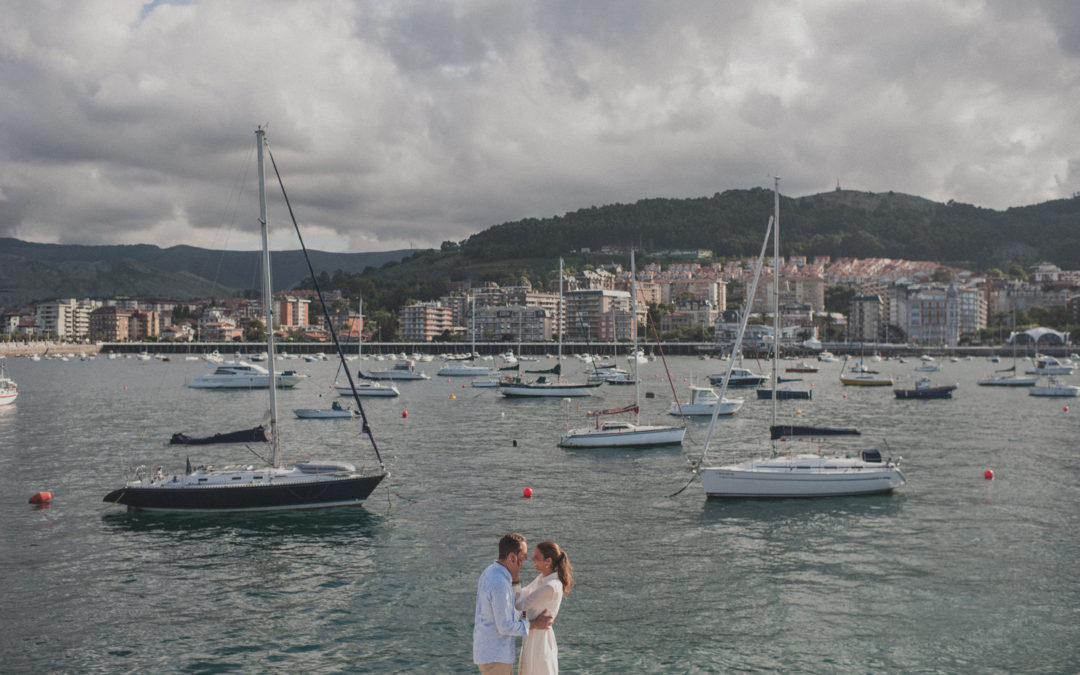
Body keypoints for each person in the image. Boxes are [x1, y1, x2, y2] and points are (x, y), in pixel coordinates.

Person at [474, 533, 553, 674]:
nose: (527, 559)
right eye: (523, 555)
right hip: (496, 658)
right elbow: (505, 626)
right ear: (512, 557)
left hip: (489, 655)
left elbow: (507, 610)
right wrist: (535, 624)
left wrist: (515, 578)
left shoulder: (490, 572)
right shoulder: (500, 584)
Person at [515, 541, 573, 675]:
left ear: (548, 561)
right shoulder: (542, 578)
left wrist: (515, 578)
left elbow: (518, 605)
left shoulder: (550, 586)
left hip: (539, 641)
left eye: (537, 557)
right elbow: (522, 601)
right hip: (533, 636)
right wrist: (524, 617)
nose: (532, 559)